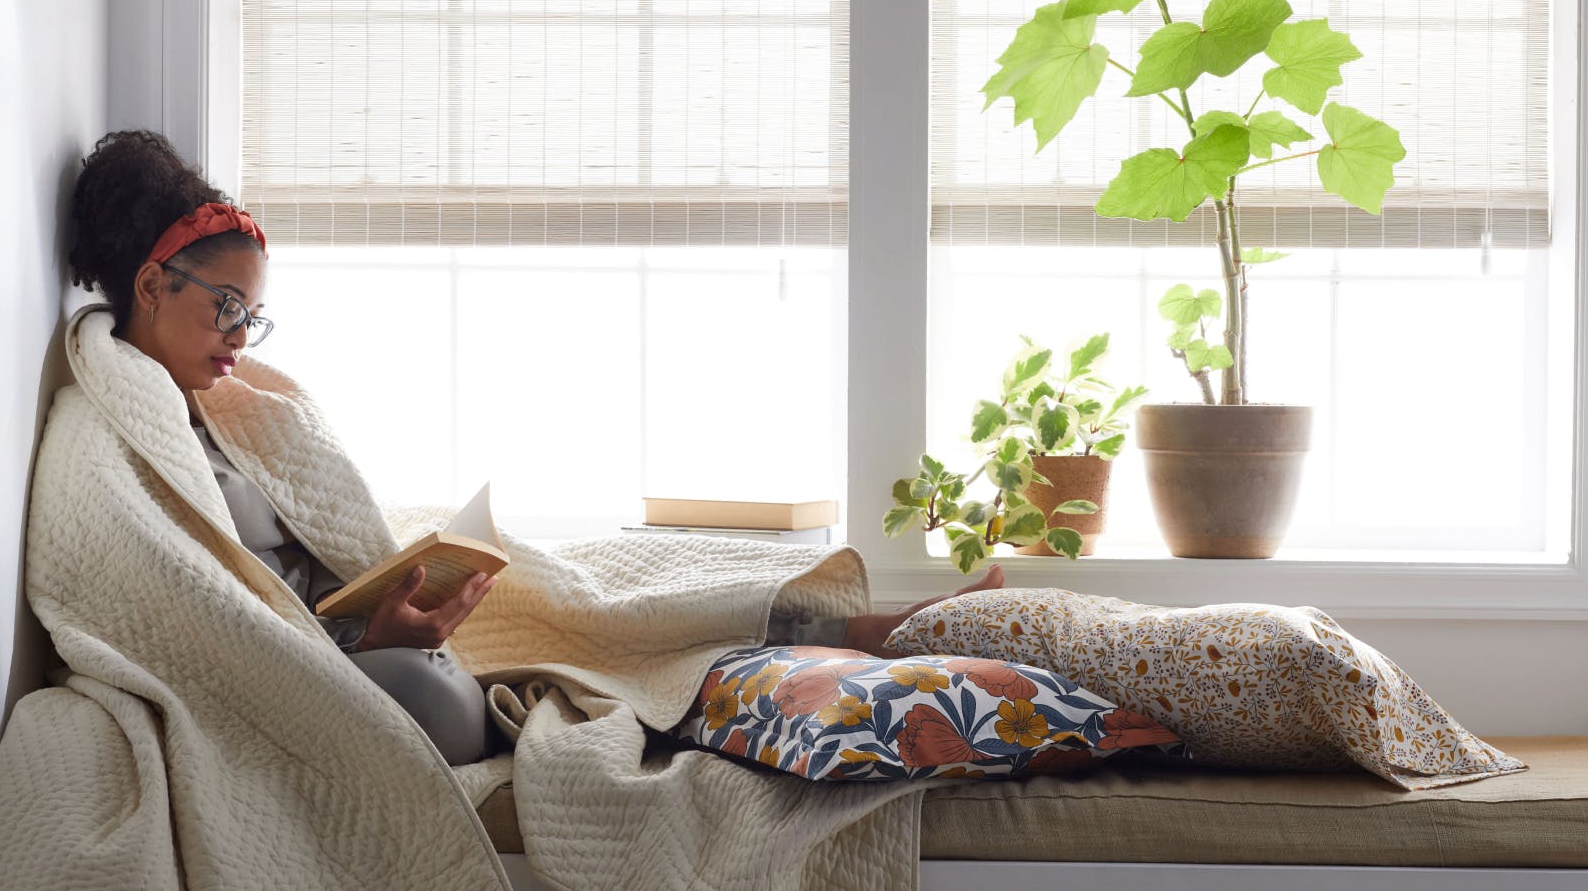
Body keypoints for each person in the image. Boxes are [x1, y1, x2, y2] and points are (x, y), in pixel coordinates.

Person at [62, 128, 1004, 766]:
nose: (239, 335)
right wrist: (371, 640)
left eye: (253, 317)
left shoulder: (219, 403)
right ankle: (865, 647)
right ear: (151, 283)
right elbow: (215, 636)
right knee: (581, 650)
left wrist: (395, 588)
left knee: (613, 581)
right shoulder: (111, 436)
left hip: (377, 606)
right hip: (339, 664)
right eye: (227, 308)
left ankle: (879, 627)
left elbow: (328, 534)